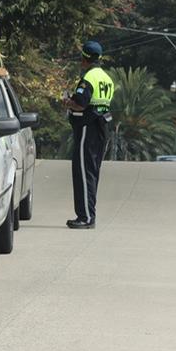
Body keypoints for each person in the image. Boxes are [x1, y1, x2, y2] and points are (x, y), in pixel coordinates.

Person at [62, 41, 114, 229]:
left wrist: (68, 101)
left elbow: (81, 103)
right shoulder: (107, 78)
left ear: (84, 58)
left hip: (87, 127)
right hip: (102, 126)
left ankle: (85, 217)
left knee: (83, 172)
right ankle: (89, 214)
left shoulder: (89, 78)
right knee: (92, 172)